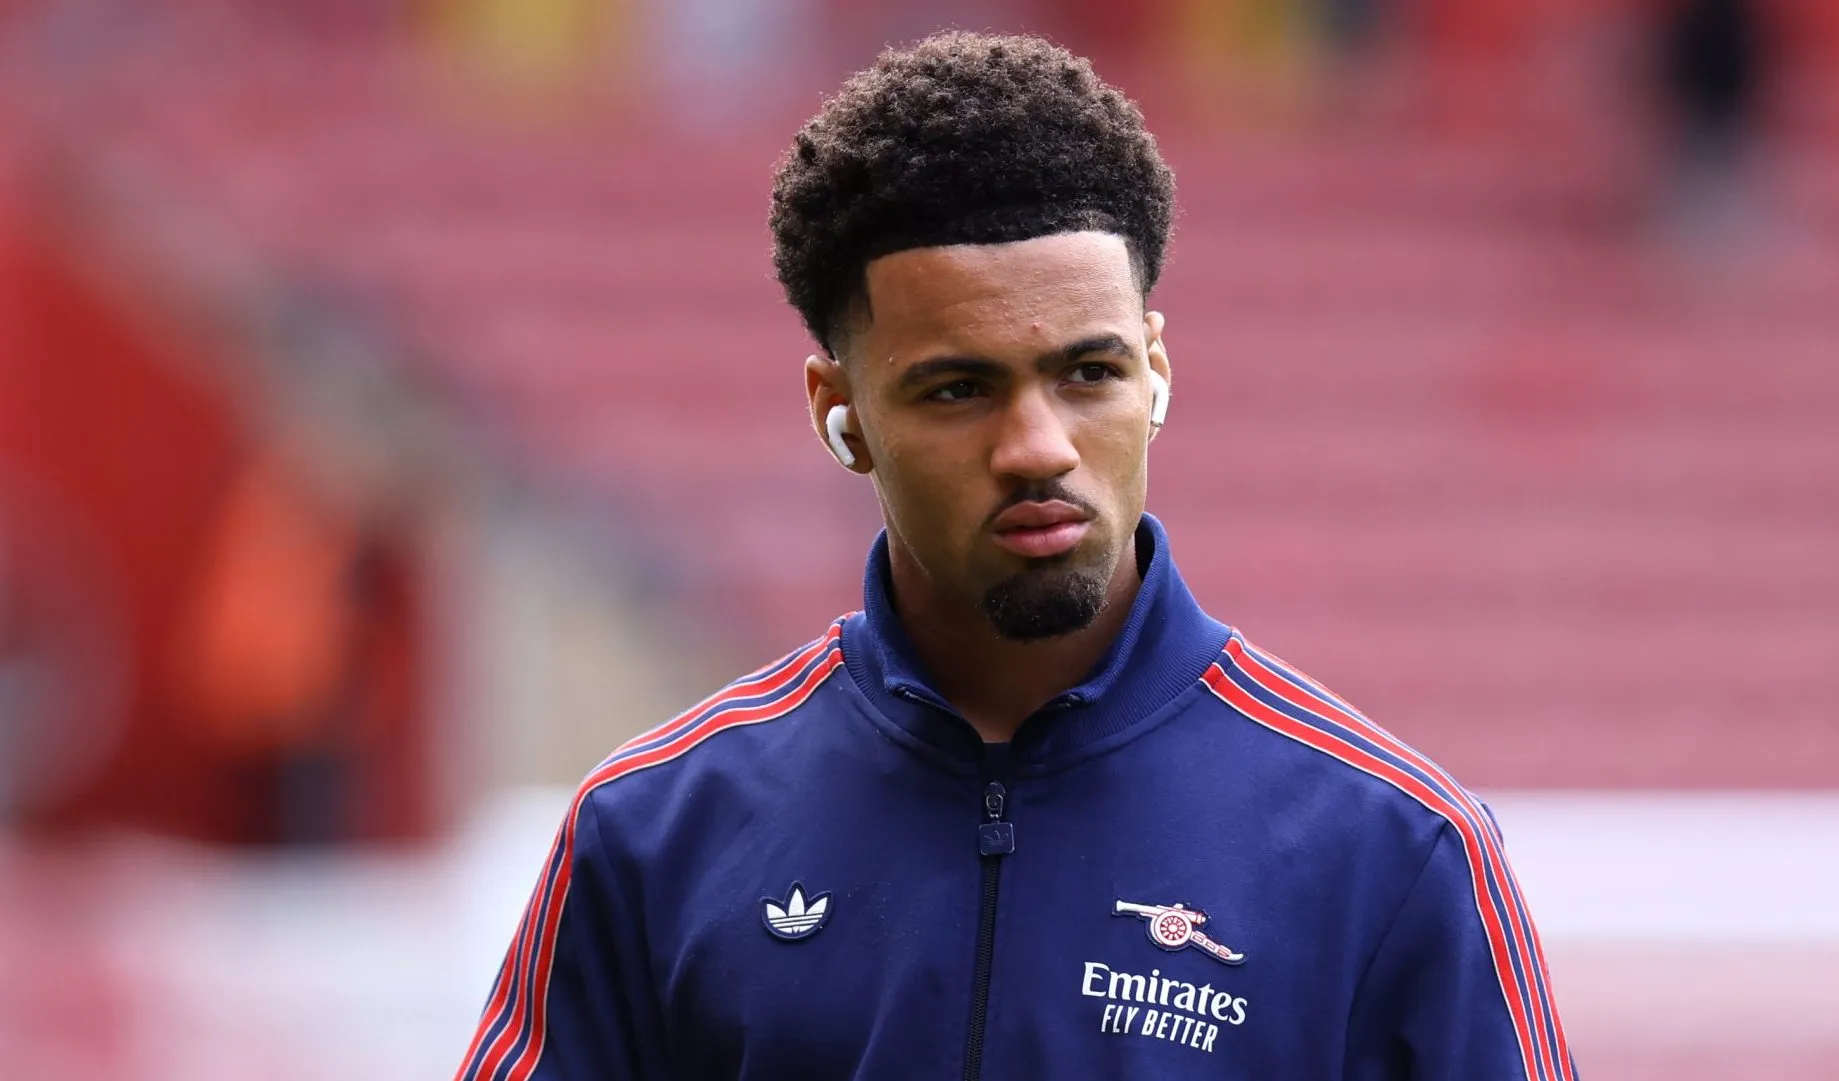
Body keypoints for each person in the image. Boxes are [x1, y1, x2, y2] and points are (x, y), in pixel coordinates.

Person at [456, 31, 1576, 1081]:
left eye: (1088, 374)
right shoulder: (655, 835)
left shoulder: (1391, 849)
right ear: (838, 411)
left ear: (1158, 373)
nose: (1036, 448)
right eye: (958, 389)